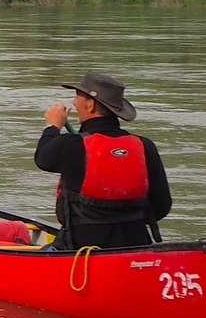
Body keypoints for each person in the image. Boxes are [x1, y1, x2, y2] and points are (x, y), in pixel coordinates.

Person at [34, 71, 171, 250]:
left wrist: (52, 126)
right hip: (136, 247)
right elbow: (162, 206)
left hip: (81, 249)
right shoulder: (145, 146)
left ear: (90, 105)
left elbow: (42, 158)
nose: (74, 103)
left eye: (78, 97)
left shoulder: (73, 144)